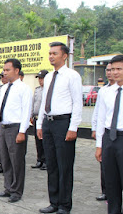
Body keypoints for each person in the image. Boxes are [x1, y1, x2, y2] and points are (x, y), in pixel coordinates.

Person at [37, 42, 82, 214]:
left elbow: (78, 103)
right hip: (48, 122)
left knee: (64, 165)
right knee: (52, 165)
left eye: (55, 53)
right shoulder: (48, 77)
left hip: (64, 123)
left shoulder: (72, 76)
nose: (51, 56)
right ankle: (53, 202)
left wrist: (73, 127)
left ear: (64, 56)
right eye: (49, 53)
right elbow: (44, 102)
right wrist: (40, 124)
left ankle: (64, 204)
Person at [0, 59, 33, 203]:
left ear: (16, 71)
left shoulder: (24, 88)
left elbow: (26, 111)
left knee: (17, 161)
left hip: (16, 128)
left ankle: (16, 191)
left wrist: (22, 131)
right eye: (4, 70)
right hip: (4, 128)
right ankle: (8, 188)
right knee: (5, 160)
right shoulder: (4, 88)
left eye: (7, 70)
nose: (4, 72)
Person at [95, 55, 123, 214]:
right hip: (109, 139)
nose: (115, 73)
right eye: (112, 69)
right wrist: (99, 146)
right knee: (111, 183)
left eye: (119, 69)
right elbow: (101, 119)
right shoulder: (106, 92)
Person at [91, 63, 114, 202]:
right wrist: (95, 128)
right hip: (105, 132)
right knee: (104, 164)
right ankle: (106, 191)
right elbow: (98, 112)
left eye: (115, 69)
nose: (111, 73)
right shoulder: (103, 91)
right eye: (109, 70)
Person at [31, 70, 48, 170]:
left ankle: (46, 160)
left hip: (44, 119)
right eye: (39, 78)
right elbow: (34, 103)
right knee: (37, 141)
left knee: (44, 141)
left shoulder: (48, 90)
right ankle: (39, 160)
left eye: (42, 78)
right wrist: (31, 115)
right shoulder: (37, 90)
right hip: (36, 118)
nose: (40, 81)